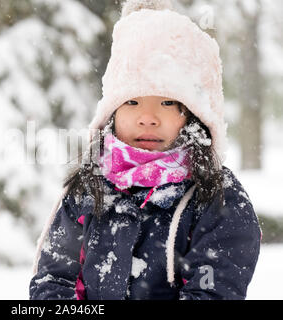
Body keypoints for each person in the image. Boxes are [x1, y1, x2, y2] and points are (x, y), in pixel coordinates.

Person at [29, 0, 261, 300]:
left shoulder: (218, 198)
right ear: (111, 112)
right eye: (132, 101)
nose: (148, 117)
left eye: (166, 102)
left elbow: (213, 293)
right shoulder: (88, 190)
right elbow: (52, 280)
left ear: (193, 115)